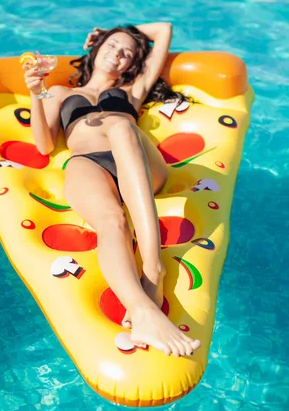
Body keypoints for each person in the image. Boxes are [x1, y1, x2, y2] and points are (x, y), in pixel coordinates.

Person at [23, 23, 201, 358]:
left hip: (139, 161)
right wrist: (36, 91)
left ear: (132, 64)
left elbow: (163, 29)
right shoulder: (60, 92)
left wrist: (110, 31)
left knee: (122, 127)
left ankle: (152, 267)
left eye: (127, 52)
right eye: (111, 45)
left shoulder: (134, 89)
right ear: (94, 47)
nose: (117, 54)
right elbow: (44, 145)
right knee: (111, 218)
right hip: (89, 163)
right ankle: (142, 309)